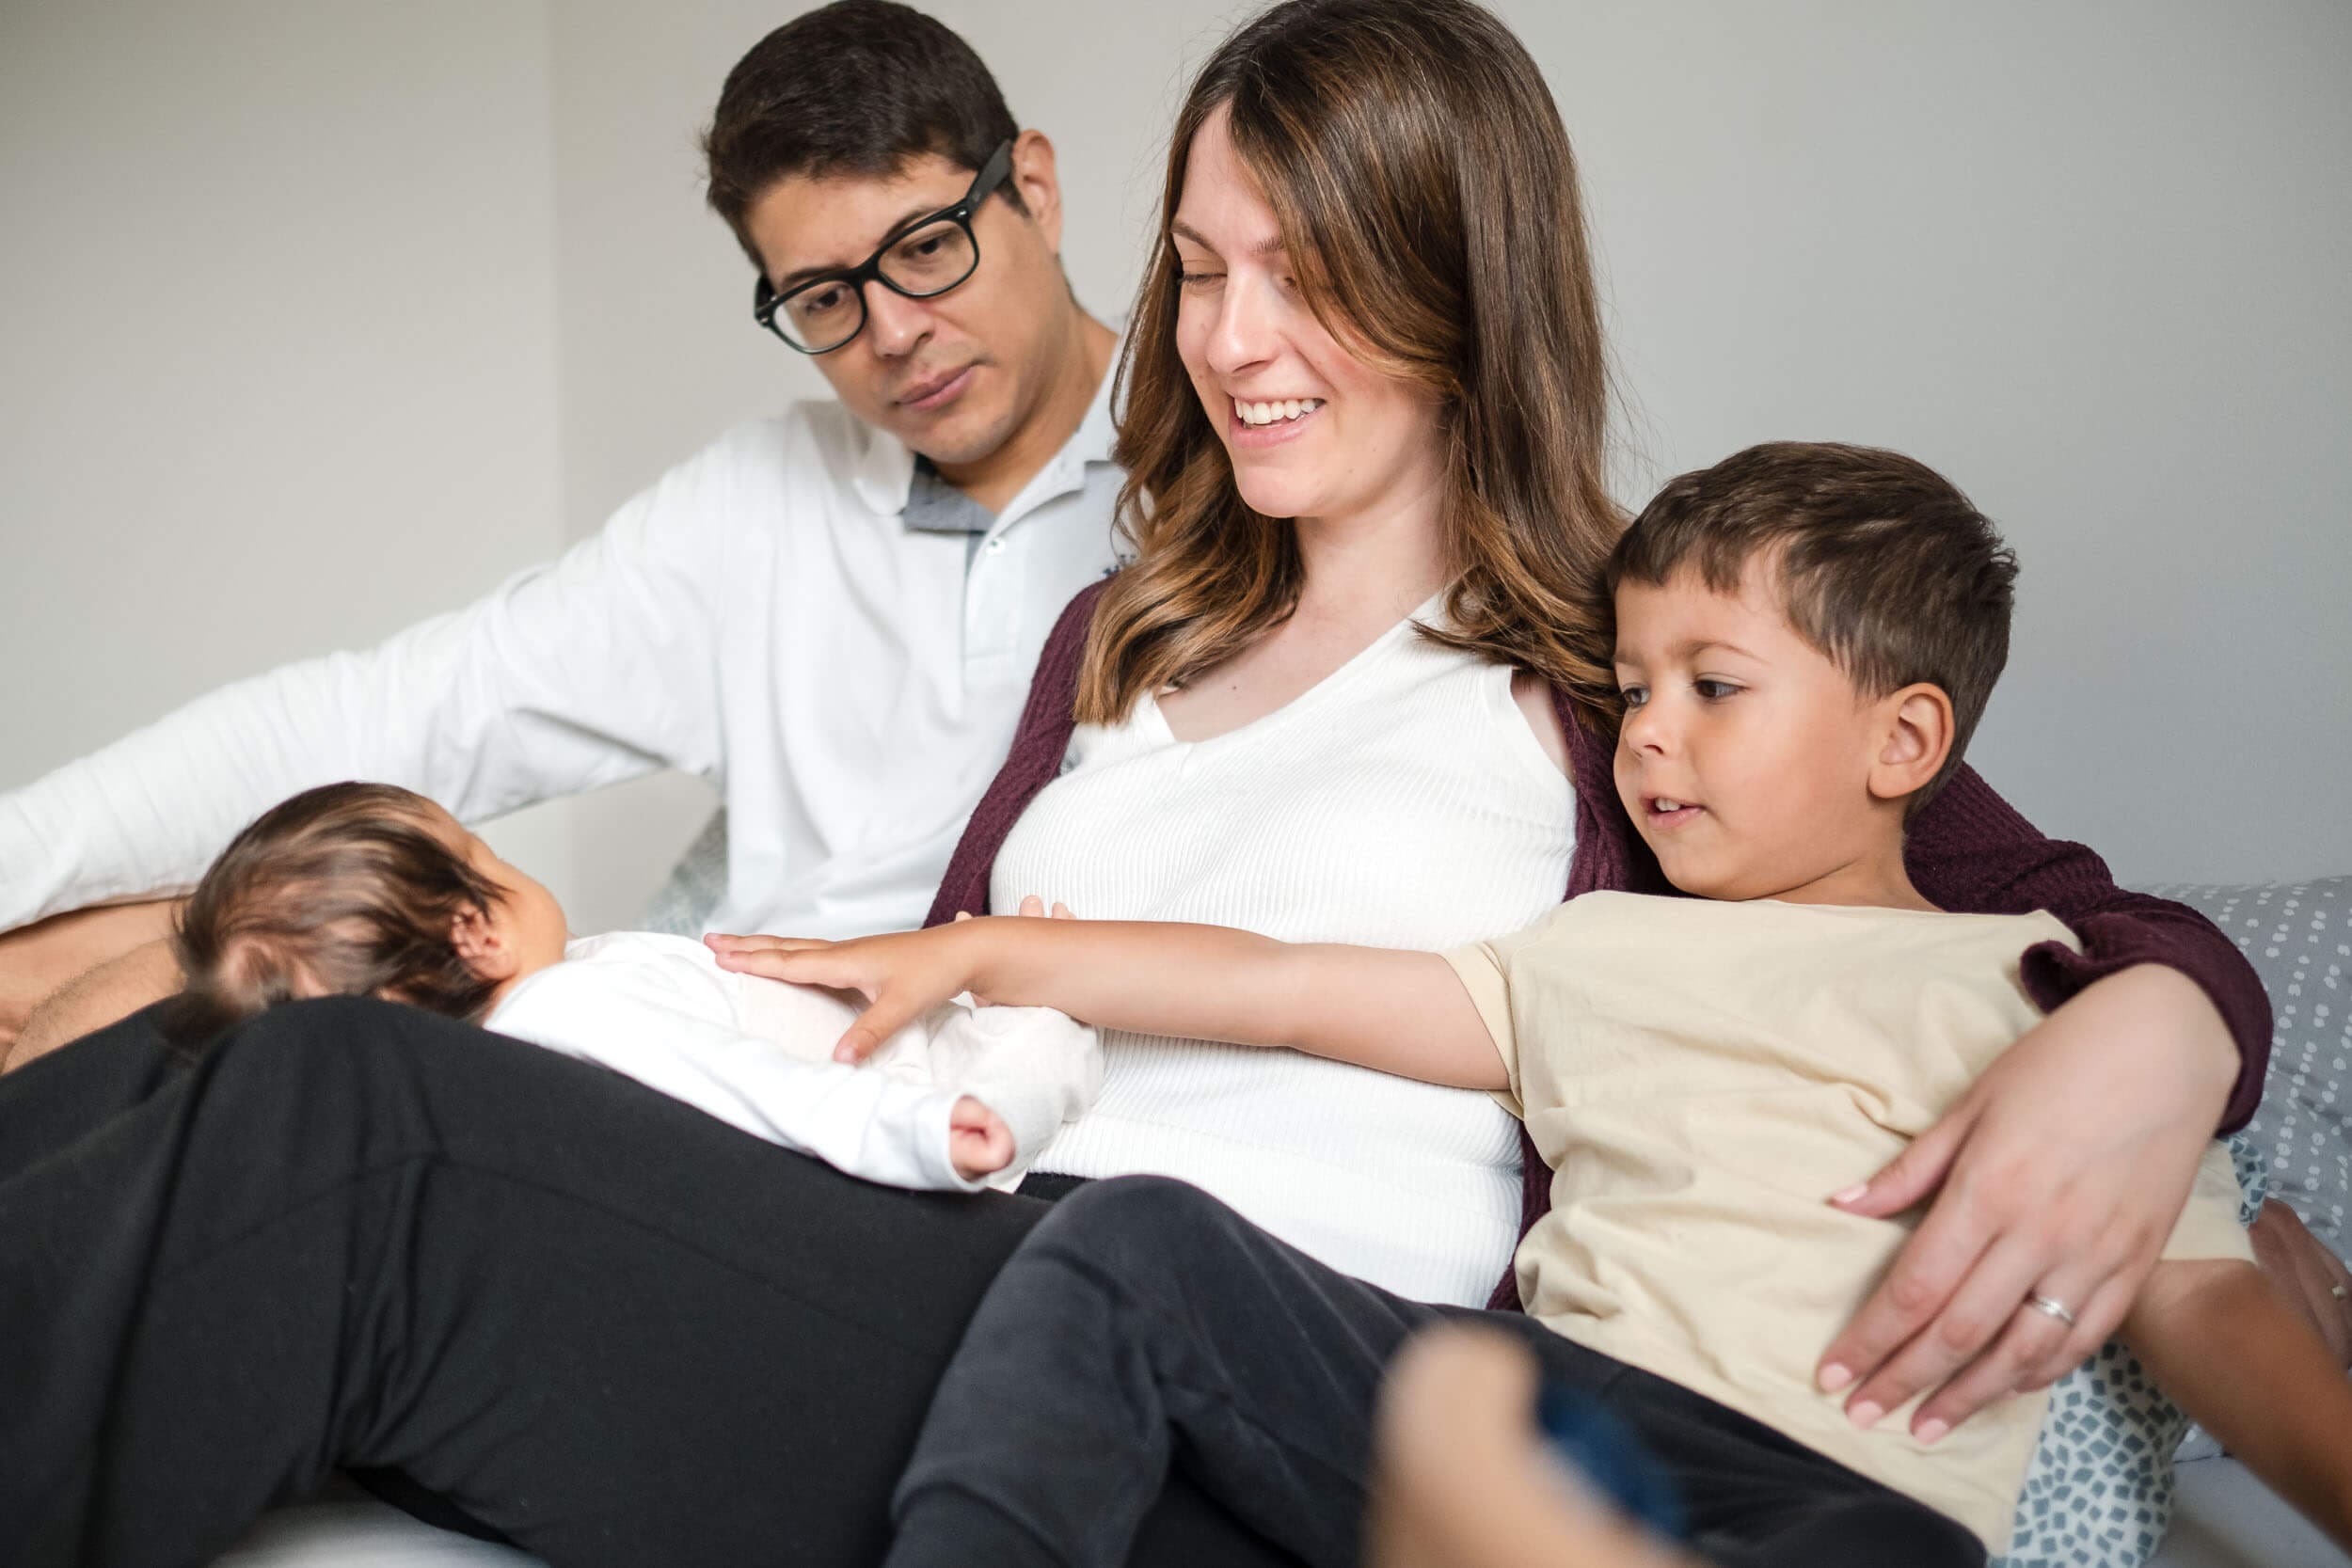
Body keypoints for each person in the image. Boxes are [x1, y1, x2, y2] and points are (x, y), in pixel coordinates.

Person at [0, 3, 2276, 1565]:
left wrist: (2167, 1028)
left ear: (1462, 279)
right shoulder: (1131, 631)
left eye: (1312, 272)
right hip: (936, 1249)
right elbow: (964, 1002)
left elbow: (2027, 898)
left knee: (355, 1126)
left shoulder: (1624, 662)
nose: (1235, 340)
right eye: (1200, 271)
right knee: (241, 1040)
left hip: (1215, 1397)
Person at [729, 442, 2352, 1565]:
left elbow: (2206, 1310)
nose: (1646, 736)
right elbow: (1281, 988)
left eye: (1713, 690)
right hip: (1559, 1435)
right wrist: (976, 954)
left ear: (1906, 745)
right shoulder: (1589, 951)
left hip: (1840, 1504)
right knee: (1166, 1251)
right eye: (1632, 689)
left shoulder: (2049, 998)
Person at [0, 0, 1123, 1069]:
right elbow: (399, 712)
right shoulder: (763, 497)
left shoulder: (1225, 481)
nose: (891, 333)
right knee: (168, 945)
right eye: (823, 298)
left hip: (982, 1089)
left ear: (1033, 187)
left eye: (926, 248)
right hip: (722, 1069)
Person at [166, 781, 1102, 1189]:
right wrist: (929, 1131)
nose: (505, 861)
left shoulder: (529, 1035)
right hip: (926, 1103)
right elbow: (755, 1086)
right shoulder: (563, 1010)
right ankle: (1052, 1026)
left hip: (914, 1072)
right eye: (482, 851)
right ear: (476, 929)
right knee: (1052, 1027)